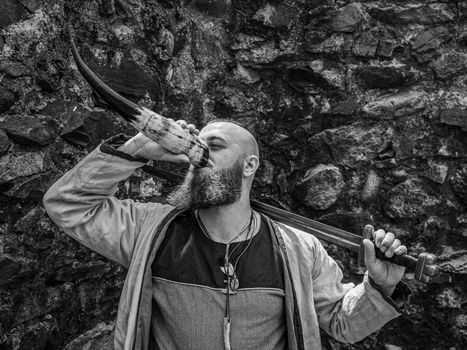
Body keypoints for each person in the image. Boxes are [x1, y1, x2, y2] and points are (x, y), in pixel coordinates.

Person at [43, 120, 409, 350]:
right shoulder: (151, 230)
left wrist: (379, 288)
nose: (198, 156)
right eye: (195, 148)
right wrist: (137, 151)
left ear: (249, 165)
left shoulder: (298, 247)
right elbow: (68, 206)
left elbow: (341, 324)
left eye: (214, 147)